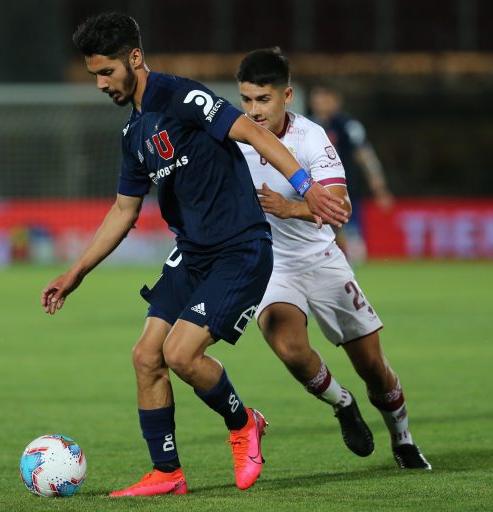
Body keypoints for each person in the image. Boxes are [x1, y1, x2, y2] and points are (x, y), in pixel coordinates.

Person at [41, 13, 349, 497]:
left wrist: (306, 187)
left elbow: (253, 132)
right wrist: (76, 272)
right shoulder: (134, 133)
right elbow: (124, 210)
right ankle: (168, 473)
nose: (100, 83)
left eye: (106, 72)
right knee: (146, 356)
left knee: (180, 353)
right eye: (94, 75)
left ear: (134, 58)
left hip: (241, 249)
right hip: (193, 253)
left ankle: (245, 422)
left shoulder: (181, 96)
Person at [234, 48, 431, 469]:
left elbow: (339, 207)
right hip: (270, 267)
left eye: (262, 99)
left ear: (287, 96)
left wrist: (289, 208)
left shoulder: (311, 138)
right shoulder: (232, 140)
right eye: (246, 99)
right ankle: (342, 404)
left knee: (373, 367)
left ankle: (404, 440)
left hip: (321, 258)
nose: (253, 110)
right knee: (289, 348)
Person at [308, 82, 394, 264]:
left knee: (351, 232)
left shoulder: (347, 126)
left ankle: (356, 276)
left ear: (335, 100)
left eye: (325, 97)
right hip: (315, 191)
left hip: (346, 190)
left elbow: (365, 155)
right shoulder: (306, 126)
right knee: (318, 236)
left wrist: (379, 185)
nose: (320, 102)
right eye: (317, 98)